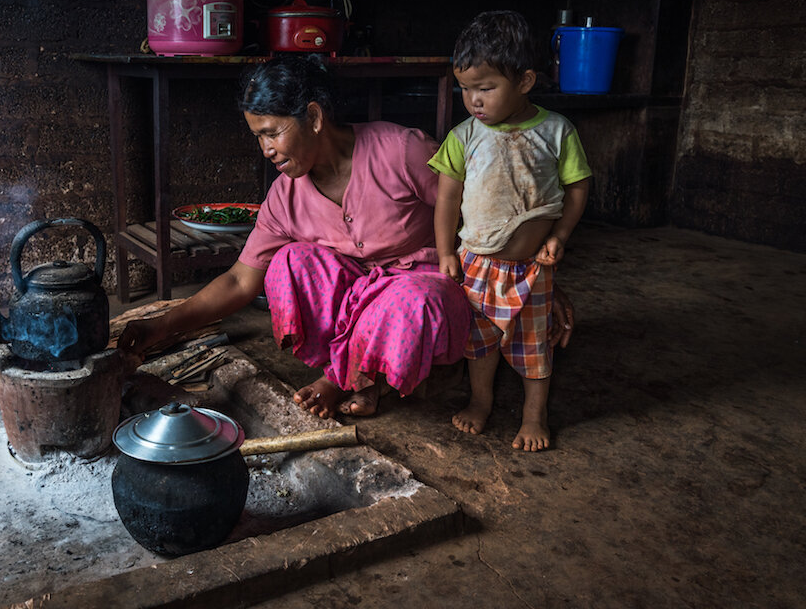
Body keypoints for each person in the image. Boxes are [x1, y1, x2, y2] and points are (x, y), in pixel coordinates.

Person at [119, 53, 575, 419]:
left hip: (427, 290)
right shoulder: (285, 195)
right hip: (358, 305)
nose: (267, 149)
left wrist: (537, 280)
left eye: (273, 132)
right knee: (289, 263)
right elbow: (241, 281)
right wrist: (158, 328)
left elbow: (491, 214)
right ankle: (362, 376)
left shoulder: (402, 150)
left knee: (411, 301)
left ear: (314, 117)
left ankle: (345, 380)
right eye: (258, 137)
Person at [428, 10, 591, 451]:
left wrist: (559, 237)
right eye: (465, 88)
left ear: (524, 81)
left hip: (532, 270)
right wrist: (445, 251)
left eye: (486, 88)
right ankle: (481, 401)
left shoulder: (556, 131)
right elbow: (447, 198)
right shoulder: (463, 137)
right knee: (479, 344)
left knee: (535, 346)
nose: (473, 100)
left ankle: (534, 414)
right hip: (476, 264)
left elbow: (577, 189)